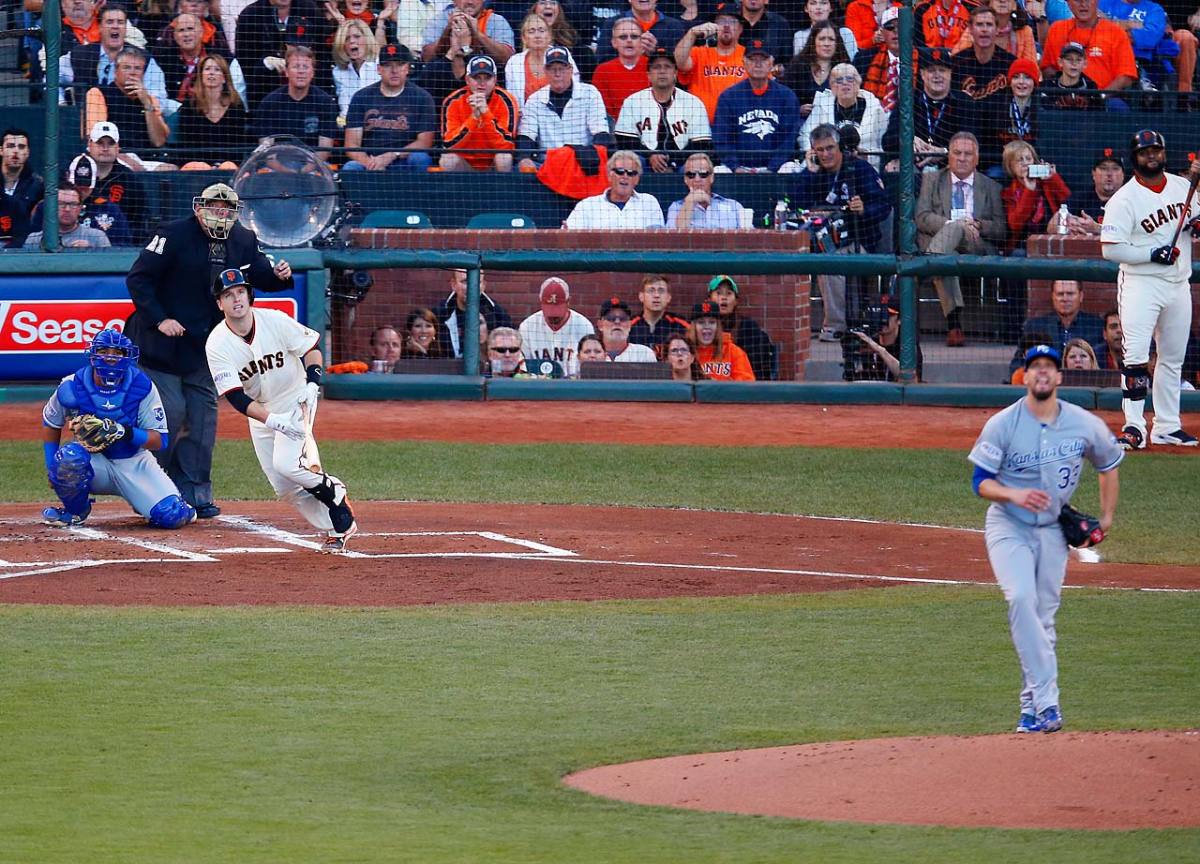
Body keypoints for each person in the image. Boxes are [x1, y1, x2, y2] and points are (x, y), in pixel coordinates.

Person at [969, 343, 1122, 734]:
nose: (1041, 372)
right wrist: (1014, 493)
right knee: (1020, 599)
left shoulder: (1082, 423)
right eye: (1034, 366)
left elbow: (1108, 463)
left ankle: (1029, 711)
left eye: (1048, 367)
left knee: (1043, 618)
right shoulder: (1003, 423)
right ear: (1025, 376)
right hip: (1008, 526)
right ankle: (1049, 703)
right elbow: (980, 482)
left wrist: (1106, 517)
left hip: (1054, 530)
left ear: (1059, 377)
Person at [125, 182, 295, 518]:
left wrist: (279, 277)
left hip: (206, 348)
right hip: (161, 346)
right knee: (170, 414)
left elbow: (261, 276)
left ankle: (195, 494)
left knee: (203, 420)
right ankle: (151, 491)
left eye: (226, 208)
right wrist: (160, 319)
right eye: (213, 206)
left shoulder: (244, 240)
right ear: (198, 207)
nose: (220, 213)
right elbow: (139, 280)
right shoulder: (172, 234)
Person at [206, 268, 359, 553]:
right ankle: (337, 527)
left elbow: (311, 345)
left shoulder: (273, 320)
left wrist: (313, 383)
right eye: (228, 295)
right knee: (284, 487)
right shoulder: (217, 344)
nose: (236, 299)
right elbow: (236, 397)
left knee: (287, 464)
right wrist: (272, 420)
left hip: (295, 398)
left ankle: (333, 490)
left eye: (240, 291)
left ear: (249, 295)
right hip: (261, 411)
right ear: (220, 303)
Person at [39, 328, 197, 529]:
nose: (111, 358)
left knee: (171, 515)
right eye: (104, 351)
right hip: (93, 463)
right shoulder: (72, 385)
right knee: (68, 459)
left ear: (127, 357)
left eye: (117, 353)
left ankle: (163, 502)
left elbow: (160, 440)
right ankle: (75, 511)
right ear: (93, 355)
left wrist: (123, 432)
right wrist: (51, 465)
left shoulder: (143, 386)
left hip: (133, 462)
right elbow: (51, 423)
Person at [1100, 130, 1200, 448]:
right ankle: (1134, 426)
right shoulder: (1124, 199)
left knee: (1172, 358)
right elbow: (1110, 249)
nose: (1152, 155)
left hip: (1178, 283)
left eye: (1156, 150)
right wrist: (1151, 254)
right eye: (1145, 151)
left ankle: (1167, 425)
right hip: (1141, 284)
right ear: (1135, 158)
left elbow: (1194, 219)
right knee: (1136, 357)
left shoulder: (1184, 187)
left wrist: (1196, 225)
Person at [792, 123, 891, 342]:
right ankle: (793, 327)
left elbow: (884, 205)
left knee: (830, 262)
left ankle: (836, 326)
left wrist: (864, 208)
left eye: (829, 148)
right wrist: (809, 172)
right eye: (820, 150)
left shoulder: (859, 169)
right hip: (818, 240)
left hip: (859, 241)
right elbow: (798, 205)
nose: (825, 154)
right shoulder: (814, 173)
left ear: (839, 147)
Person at [915, 130, 1006, 346]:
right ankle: (954, 325)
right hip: (944, 244)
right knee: (949, 250)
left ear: (977, 158)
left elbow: (1001, 229)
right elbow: (921, 217)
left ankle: (929, 266)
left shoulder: (991, 186)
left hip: (975, 244)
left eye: (967, 154)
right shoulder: (932, 180)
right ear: (949, 156)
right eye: (957, 153)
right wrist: (953, 225)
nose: (962, 158)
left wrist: (977, 225)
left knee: (951, 240)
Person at [613, 48, 711, 172]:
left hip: (682, 164)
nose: (662, 71)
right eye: (657, 67)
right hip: (644, 162)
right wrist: (650, 157)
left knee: (697, 165)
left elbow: (701, 144)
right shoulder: (633, 101)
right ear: (648, 74)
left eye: (667, 67)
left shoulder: (693, 103)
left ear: (675, 73)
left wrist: (673, 162)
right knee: (628, 161)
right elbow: (624, 141)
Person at [516, 46, 612, 169]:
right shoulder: (534, 99)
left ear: (571, 70)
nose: (557, 73)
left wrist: (592, 159)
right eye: (552, 69)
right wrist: (524, 158)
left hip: (582, 164)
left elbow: (601, 134)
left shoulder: (590, 93)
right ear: (545, 71)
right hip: (547, 165)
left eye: (562, 68)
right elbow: (526, 136)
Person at [712, 40, 800, 172]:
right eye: (752, 59)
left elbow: (788, 139)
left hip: (776, 168)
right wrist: (735, 166)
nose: (758, 64)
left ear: (771, 63)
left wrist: (772, 168)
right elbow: (722, 138)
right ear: (744, 63)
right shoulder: (729, 97)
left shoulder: (787, 96)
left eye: (763, 59)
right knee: (720, 170)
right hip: (739, 168)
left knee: (790, 167)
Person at [881, 47, 968, 173]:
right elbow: (887, 141)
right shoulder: (908, 101)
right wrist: (907, 139)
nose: (937, 75)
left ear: (950, 73)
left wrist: (943, 152)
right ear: (922, 74)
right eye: (931, 71)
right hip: (914, 168)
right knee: (894, 168)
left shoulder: (965, 102)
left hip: (951, 167)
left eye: (942, 70)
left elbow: (974, 140)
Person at [951, 5, 1015, 166]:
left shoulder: (1009, 63)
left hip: (998, 145)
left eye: (989, 25)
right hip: (964, 142)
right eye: (979, 25)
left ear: (997, 29)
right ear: (971, 29)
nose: (984, 30)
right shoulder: (957, 62)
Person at [420, 0, 516, 104]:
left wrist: (478, 33)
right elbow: (427, 57)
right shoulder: (440, 19)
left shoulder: (496, 21)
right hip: (444, 84)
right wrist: (448, 29)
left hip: (485, 91)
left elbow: (507, 58)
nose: (470, 1)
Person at [251, 45, 339, 157]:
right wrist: (286, 172)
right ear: (286, 72)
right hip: (277, 166)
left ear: (312, 72)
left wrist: (305, 171)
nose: (301, 71)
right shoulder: (269, 103)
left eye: (305, 67)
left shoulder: (325, 102)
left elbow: (324, 150)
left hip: (314, 165)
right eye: (296, 66)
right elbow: (266, 151)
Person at [797, 62, 887, 171]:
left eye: (850, 79)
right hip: (827, 166)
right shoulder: (822, 105)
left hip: (866, 167)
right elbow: (805, 135)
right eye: (839, 80)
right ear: (832, 87)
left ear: (858, 84)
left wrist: (867, 156)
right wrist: (817, 156)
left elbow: (883, 142)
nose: (845, 83)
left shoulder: (874, 107)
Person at [439, 54, 519, 172]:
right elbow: (449, 145)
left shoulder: (506, 100)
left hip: (493, 162)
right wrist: (474, 118)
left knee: (504, 157)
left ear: (495, 80)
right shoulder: (453, 101)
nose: (482, 83)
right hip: (465, 163)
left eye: (487, 78)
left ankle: (501, 190)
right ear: (467, 79)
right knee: (447, 160)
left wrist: (485, 113)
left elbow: (507, 146)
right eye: (477, 77)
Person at [84, 47, 170, 156]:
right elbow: (96, 139)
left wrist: (147, 104)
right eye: (127, 68)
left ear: (143, 74)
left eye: (138, 68)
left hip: (147, 158)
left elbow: (158, 142)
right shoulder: (98, 93)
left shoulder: (149, 99)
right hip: (113, 158)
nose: (132, 73)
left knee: (171, 168)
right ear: (116, 72)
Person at [1040, 0, 1137, 94]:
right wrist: (1064, 89)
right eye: (1077, 0)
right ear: (1068, 3)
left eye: (1088, 0)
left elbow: (1126, 77)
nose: (1083, 4)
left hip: (1105, 100)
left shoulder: (1116, 33)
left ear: (1097, 1)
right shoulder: (1056, 29)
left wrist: (1100, 98)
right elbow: (1047, 68)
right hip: (1062, 99)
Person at [1011, 280, 1108, 373]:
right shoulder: (1035, 326)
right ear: (1052, 296)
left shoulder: (1096, 325)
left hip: (1086, 384)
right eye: (1060, 294)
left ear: (1081, 296)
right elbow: (1017, 364)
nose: (1065, 299)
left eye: (1070, 294)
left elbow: (1103, 363)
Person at [174, 54, 252, 168]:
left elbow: (238, 146)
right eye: (207, 69)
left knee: (228, 166)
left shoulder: (236, 106)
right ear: (201, 75)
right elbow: (186, 146)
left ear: (224, 78)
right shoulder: (190, 106)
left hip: (229, 165)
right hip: (196, 165)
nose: (211, 73)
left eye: (217, 69)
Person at [674, 1, 746, 122]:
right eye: (722, 21)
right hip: (701, 127)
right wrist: (691, 33)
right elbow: (679, 63)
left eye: (732, 22)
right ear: (713, 26)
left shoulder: (750, 56)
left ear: (740, 28)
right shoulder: (699, 53)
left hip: (738, 128)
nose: (726, 26)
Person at [563, 149, 666, 228]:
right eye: (620, 171)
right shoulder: (587, 205)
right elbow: (568, 237)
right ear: (609, 175)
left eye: (631, 173)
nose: (625, 176)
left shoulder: (649, 202)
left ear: (637, 179)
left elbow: (657, 240)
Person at [1000, 140, 1070, 253]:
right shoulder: (1008, 192)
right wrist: (1029, 191)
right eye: (1019, 160)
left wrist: (1053, 178)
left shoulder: (1045, 183)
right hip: (1022, 244)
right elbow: (1015, 224)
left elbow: (1068, 199)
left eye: (1028, 158)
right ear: (1011, 166)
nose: (1025, 163)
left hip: (1051, 239)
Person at [517, 275, 595, 376]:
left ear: (568, 301)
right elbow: (523, 369)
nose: (553, 316)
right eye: (549, 309)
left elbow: (589, 368)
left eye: (557, 309)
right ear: (540, 302)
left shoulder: (584, 326)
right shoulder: (527, 327)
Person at [706, 274, 774, 380]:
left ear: (736, 301)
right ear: (708, 299)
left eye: (729, 293)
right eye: (718, 293)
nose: (724, 297)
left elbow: (758, 370)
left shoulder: (749, 328)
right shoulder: (700, 327)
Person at [505, 11, 581, 105]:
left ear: (549, 36)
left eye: (541, 30)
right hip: (526, 116)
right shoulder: (514, 63)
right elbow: (513, 100)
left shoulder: (563, 55)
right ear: (524, 38)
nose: (537, 36)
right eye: (531, 31)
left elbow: (575, 87)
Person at [436, 268, 514, 357]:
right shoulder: (439, 315)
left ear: (483, 285)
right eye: (465, 282)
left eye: (477, 282)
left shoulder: (499, 316)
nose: (471, 287)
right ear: (453, 284)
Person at [847, 299, 925, 381]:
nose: (883, 319)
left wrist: (880, 351)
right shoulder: (867, 339)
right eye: (879, 315)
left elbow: (911, 380)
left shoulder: (907, 344)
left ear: (900, 320)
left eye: (888, 315)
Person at [781, 22, 851, 113]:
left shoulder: (845, 68)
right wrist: (798, 109)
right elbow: (784, 98)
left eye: (831, 39)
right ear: (813, 41)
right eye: (822, 39)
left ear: (837, 43)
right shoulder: (797, 66)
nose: (827, 44)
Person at [591, 16, 650, 121]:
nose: (629, 41)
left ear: (642, 41)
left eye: (634, 36)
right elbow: (603, 111)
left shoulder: (653, 67)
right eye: (623, 37)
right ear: (614, 42)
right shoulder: (603, 71)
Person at [666, 152, 745, 228]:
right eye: (691, 175)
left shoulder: (733, 206)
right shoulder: (676, 207)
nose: (697, 179)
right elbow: (674, 237)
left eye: (703, 174)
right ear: (685, 179)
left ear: (711, 177)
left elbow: (749, 236)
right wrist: (689, 202)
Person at [594, 0, 687, 64]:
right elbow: (602, 60)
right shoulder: (611, 24)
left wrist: (655, 52)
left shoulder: (674, 26)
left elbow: (680, 64)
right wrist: (632, 52)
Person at [23, 184, 112, 249]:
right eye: (61, 204)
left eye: (73, 204)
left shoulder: (97, 237)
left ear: (80, 208)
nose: (67, 209)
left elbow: (110, 268)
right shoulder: (34, 240)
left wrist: (90, 253)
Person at [687, 299, 754, 380]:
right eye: (701, 322)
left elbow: (747, 385)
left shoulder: (734, 352)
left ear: (718, 326)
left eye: (712, 322)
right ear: (693, 327)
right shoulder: (685, 351)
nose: (707, 326)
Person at [628, 274, 689, 358]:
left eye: (661, 291)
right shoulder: (629, 326)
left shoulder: (681, 325)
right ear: (641, 296)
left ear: (668, 297)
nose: (656, 295)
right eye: (651, 291)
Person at [1064, 148, 1124, 233]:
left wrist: (1097, 229)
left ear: (1123, 175)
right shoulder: (1079, 198)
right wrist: (1069, 225)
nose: (1109, 174)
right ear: (1093, 174)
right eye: (1103, 168)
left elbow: (1136, 234)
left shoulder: (1131, 201)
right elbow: (1051, 226)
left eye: (1115, 168)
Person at [331, 18, 380, 121]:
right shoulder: (338, 72)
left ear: (367, 39)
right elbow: (344, 109)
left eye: (357, 36)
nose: (352, 41)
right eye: (347, 38)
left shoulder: (381, 66)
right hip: (349, 127)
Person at [1, 128, 43, 237]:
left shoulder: (38, 186)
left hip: (24, 247)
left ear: (27, 152)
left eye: (21, 147)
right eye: (10, 146)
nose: (16, 151)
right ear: (1, 150)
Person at [1038, 40, 1103, 110]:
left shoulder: (1091, 87)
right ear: (1060, 62)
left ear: (1085, 64)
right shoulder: (1047, 86)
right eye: (1069, 59)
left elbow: (1099, 117)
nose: (1074, 63)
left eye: (1078, 60)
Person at [792, 0, 857, 61]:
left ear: (831, 7)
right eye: (813, 3)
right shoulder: (799, 35)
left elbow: (852, 61)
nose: (818, 7)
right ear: (806, 8)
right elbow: (799, 64)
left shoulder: (845, 33)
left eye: (824, 3)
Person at [597, 296, 658, 361]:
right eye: (611, 318)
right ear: (600, 325)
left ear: (629, 325)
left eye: (623, 318)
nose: (617, 322)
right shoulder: (591, 354)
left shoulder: (644, 354)